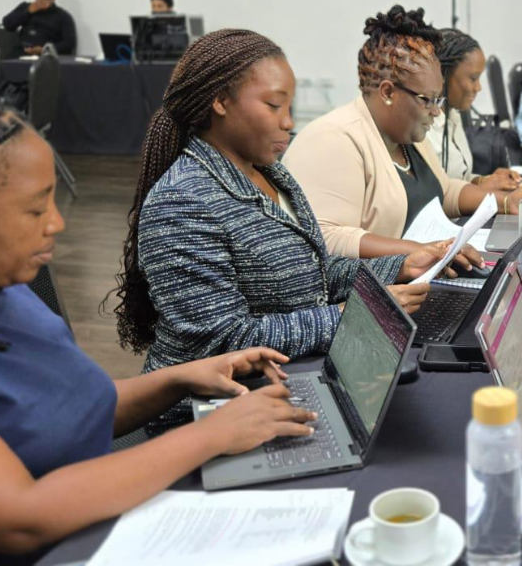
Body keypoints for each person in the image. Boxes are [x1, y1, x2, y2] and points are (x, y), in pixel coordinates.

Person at [0, 93, 318, 564]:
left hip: (100, 520)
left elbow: (71, 411)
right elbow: (19, 518)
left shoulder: (6, 291)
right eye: (35, 210)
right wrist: (212, 434)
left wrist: (180, 377)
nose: (56, 223)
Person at [112, 29, 452, 433]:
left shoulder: (270, 173)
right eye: (274, 106)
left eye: (290, 106)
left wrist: (396, 267)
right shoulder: (183, 201)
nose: (289, 123)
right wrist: (352, 317)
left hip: (285, 381)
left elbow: (314, 274)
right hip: (210, 416)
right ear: (219, 101)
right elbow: (224, 344)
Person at [282, 5, 522, 259]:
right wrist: (424, 250)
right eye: (428, 100)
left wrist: (506, 201)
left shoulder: (406, 138)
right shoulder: (334, 138)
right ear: (388, 93)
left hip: (419, 278)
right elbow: (330, 237)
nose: (436, 111)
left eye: (438, 99)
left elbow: (445, 192)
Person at [427, 28, 520, 191]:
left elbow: (459, 178)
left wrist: (485, 180)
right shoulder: (424, 129)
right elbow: (437, 195)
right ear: (443, 74)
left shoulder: (453, 114)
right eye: (473, 78)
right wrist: (484, 191)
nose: (479, 87)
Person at [1, 0, 76, 56]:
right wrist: (28, 11)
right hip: (21, 52)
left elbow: (69, 44)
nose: (40, 1)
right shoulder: (26, 7)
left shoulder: (63, 16)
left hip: (46, 55)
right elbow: (7, 24)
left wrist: (45, 49)